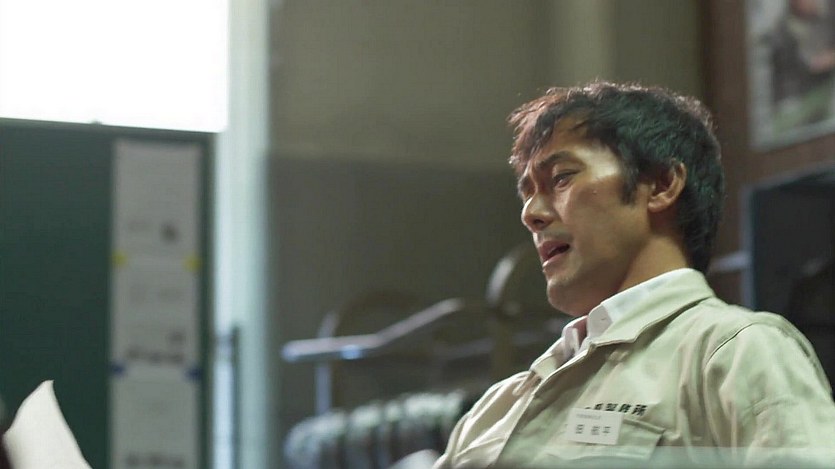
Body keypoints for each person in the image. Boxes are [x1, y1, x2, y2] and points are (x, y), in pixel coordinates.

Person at [433, 81, 835, 468]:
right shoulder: (497, 407)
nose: (531, 214)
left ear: (661, 185)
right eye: (527, 194)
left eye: (560, 178)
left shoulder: (735, 352)